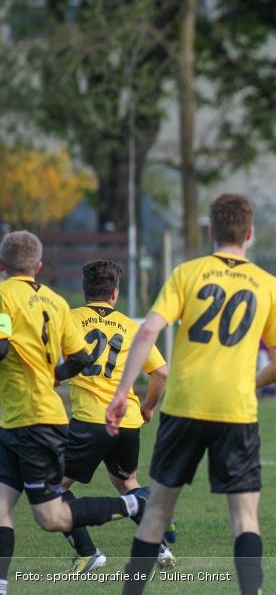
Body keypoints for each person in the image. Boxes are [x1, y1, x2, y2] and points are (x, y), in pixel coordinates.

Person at [106, 194, 276, 595]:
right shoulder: (268, 284)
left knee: (157, 509)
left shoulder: (187, 273)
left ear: (212, 231)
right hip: (235, 410)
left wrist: (124, 391)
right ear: (250, 233)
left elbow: (150, 330)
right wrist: (249, 384)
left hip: (184, 405)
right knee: (244, 518)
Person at [0, 231, 148, 595]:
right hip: (24, 416)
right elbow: (80, 359)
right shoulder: (56, 301)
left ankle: (131, 504)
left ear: (1, 266)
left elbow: (1, 347)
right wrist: (53, 376)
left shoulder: (3, 297)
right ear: (38, 267)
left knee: (50, 517)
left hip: (31, 419)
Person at [59, 260, 174, 572]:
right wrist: (148, 407)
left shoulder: (68, 318)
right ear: (114, 293)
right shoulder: (131, 325)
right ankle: (160, 548)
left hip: (91, 419)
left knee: (52, 487)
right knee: (126, 482)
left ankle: (88, 552)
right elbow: (161, 373)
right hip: (128, 420)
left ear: (85, 292)